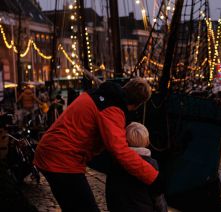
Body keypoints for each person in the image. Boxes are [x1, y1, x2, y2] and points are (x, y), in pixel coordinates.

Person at [34, 78, 161, 212]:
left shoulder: (96, 95)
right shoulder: (112, 109)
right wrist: (154, 178)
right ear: (138, 104)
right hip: (62, 160)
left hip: (54, 153)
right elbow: (120, 151)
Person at [106, 122, 168, 212]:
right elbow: (158, 197)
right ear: (146, 141)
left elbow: (110, 190)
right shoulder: (151, 163)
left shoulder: (116, 162)